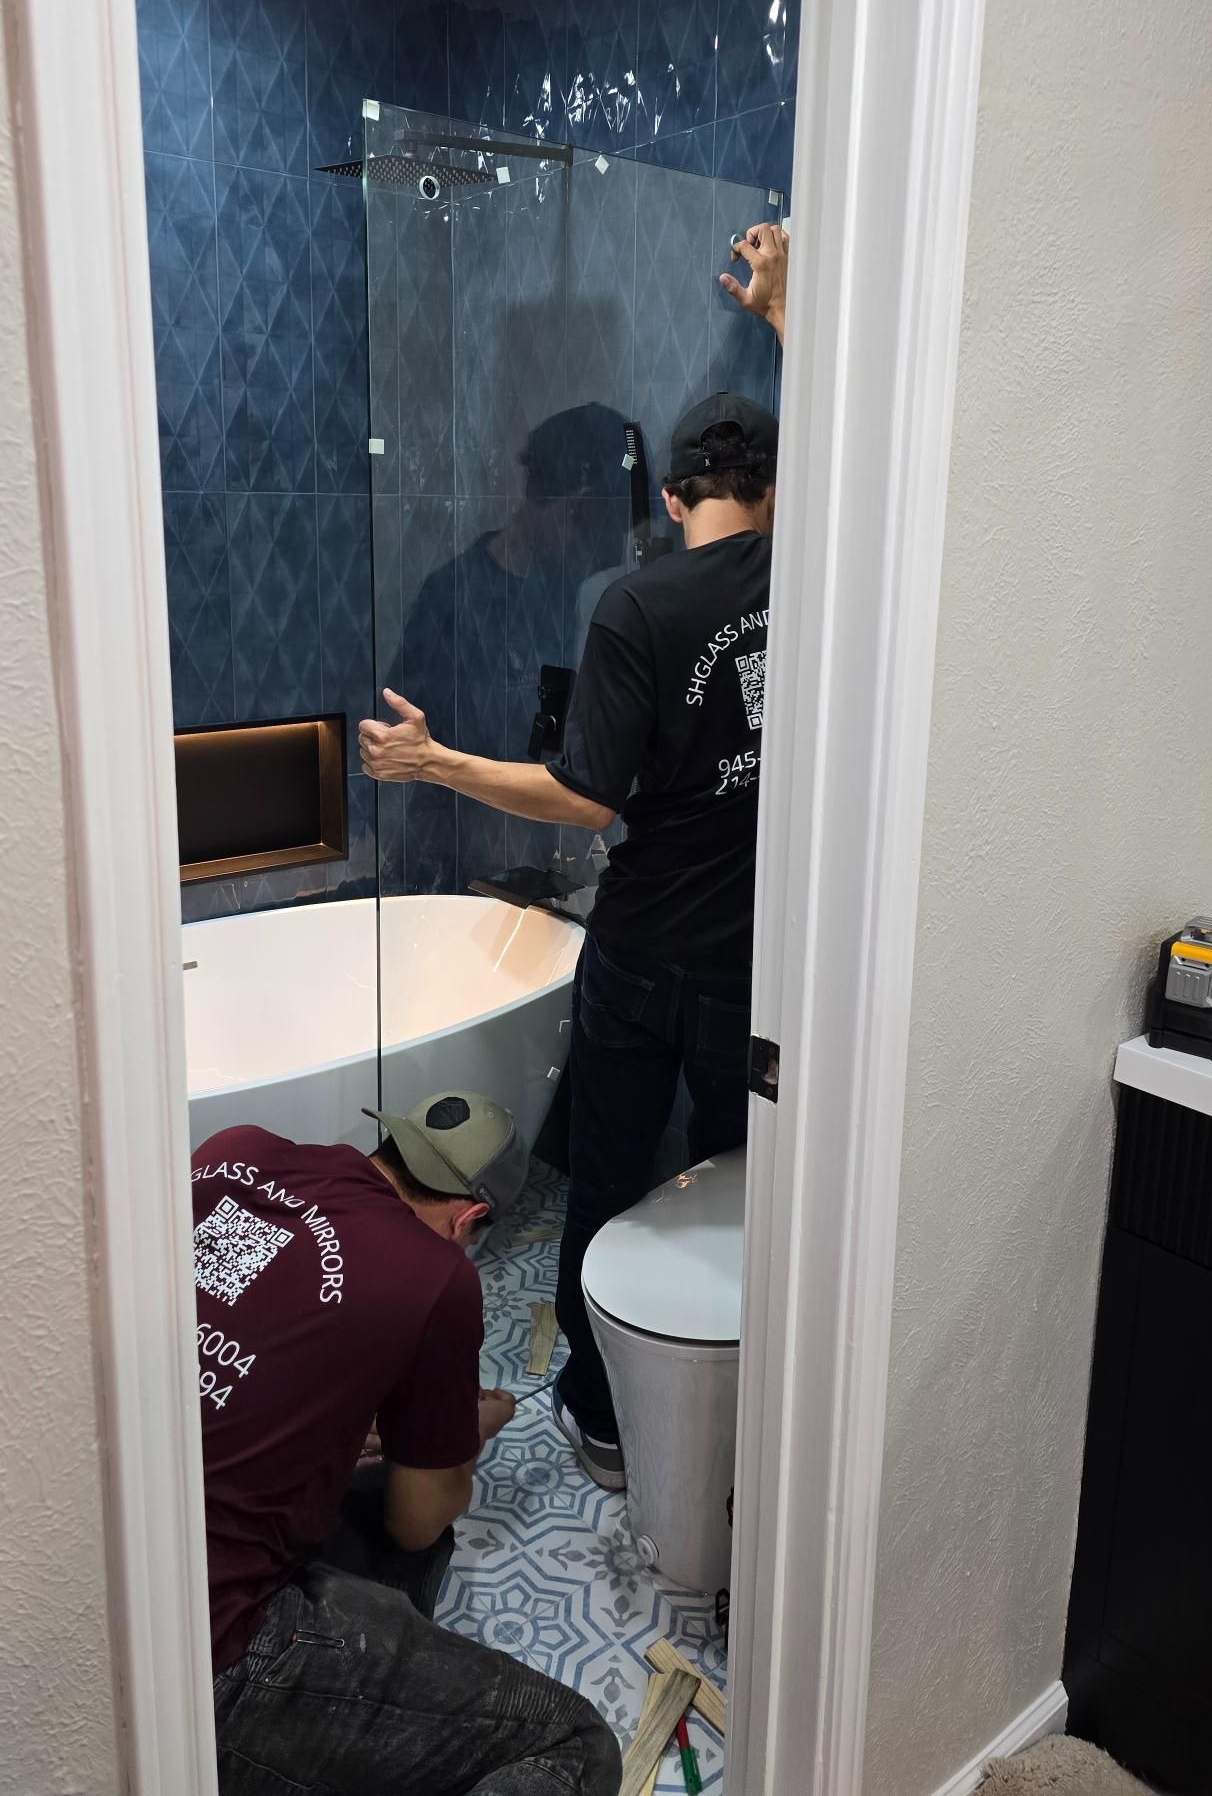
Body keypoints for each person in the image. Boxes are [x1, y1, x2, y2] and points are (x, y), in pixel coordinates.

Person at [359, 213, 790, 1492]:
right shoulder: (824, 572)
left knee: (607, 1168)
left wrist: (435, 764)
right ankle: (726, 1412)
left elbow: (582, 795)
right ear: (772, 486)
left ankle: (600, 1414)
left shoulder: (639, 600)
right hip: (753, 960)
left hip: (644, 941)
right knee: (738, 1181)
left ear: (667, 495)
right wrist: (781, 310)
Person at [195, 1093, 621, 1796]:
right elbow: (415, 1523)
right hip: (208, 1650)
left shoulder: (233, 1151)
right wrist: (463, 1436)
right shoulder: (434, 1275)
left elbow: (238, 1333)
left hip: (86, 1572)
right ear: (469, 1216)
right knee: (572, 1745)